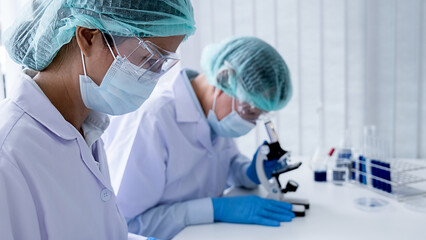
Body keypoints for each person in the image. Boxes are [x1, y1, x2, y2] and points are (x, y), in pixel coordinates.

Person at [0, 0, 195, 239]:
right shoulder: (9, 153)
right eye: (147, 58)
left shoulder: (85, 125)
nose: (153, 77)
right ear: (88, 37)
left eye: (161, 65)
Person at [103, 36, 294, 240]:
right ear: (223, 80)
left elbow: (224, 166)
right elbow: (127, 225)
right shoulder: (153, 120)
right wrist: (213, 209)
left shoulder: (213, 116)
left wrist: (250, 173)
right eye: (250, 111)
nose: (251, 122)